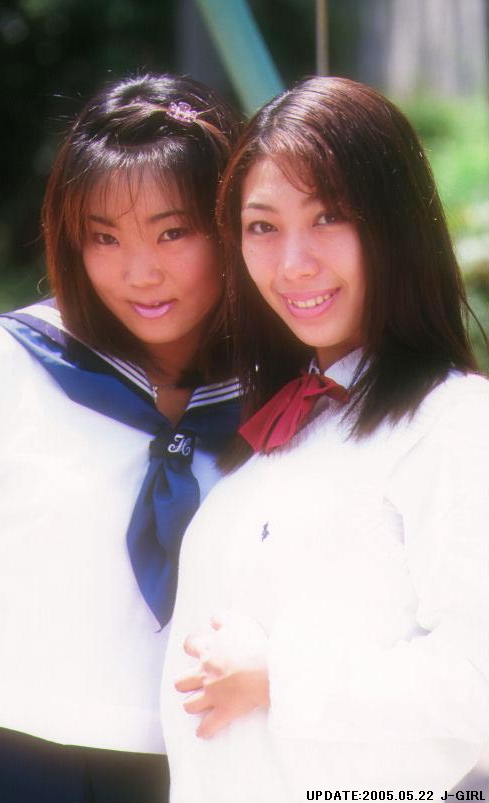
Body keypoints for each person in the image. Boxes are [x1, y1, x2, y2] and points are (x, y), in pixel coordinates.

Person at [161, 76, 489, 801]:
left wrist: (278, 676)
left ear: (396, 224)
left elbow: (476, 681)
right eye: (261, 227)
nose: (293, 263)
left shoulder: (457, 422)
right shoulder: (277, 431)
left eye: (329, 216)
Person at [0, 72, 241, 803]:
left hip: (199, 767)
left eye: (173, 232)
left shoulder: (280, 402)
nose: (139, 272)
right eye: (104, 237)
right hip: (0, 757)